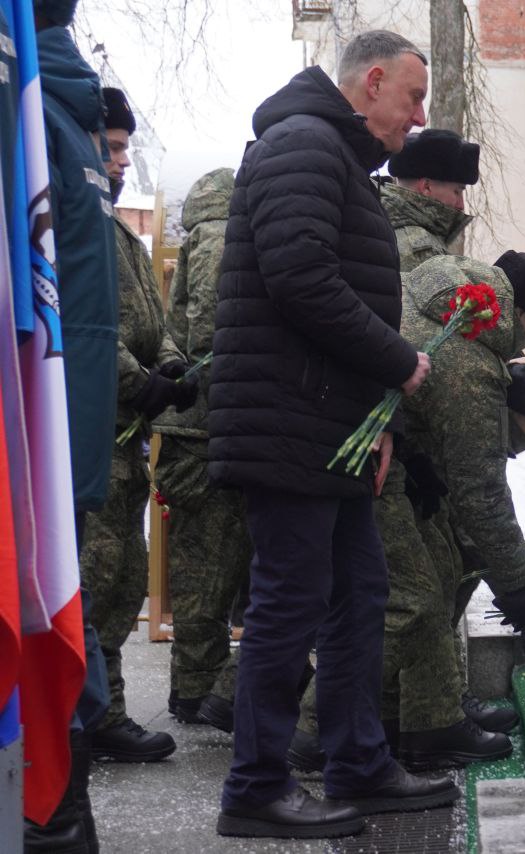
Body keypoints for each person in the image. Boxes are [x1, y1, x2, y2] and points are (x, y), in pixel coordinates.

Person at [207, 31, 454, 840]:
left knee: (358, 594)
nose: (418, 119)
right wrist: (400, 362)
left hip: (326, 423)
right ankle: (255, 787)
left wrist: (373, 414)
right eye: (412, 98)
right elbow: (301, 275)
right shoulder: (304, 143)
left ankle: (358, 763)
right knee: (290, 603)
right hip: (290, 423)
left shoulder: (332, 154)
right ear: (372, 81)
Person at [291, 127, 515, 771]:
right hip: (377, 432)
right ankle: (326, 728)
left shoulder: (389, 231)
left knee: (409, 588)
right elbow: (404, 333)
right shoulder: (410, 247)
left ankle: (418, 715)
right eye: (454, 188)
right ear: (424, 188)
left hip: (388, 429)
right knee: (401, 596)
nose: (460, 203)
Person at [386, 250, 525, 772]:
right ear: (516, 312)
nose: (524, 347)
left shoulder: (448, 310)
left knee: (437, 579)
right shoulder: (472, 364)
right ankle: (330, 728)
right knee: (415, 598)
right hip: (362, 467)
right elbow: (483, 499)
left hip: (390, 460)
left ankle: (422, 719)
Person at [24, 1, 117, 848]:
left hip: (36, 428)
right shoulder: (66, 115)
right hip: (65, 429)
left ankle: (53, 814)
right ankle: (60, 813)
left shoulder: (33, 111)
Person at [80, 87, 193, 764]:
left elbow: (155, 318)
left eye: (126, 147)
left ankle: (101, 713)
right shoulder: (75, 223)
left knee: (121, 580)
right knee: (92, 579)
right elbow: (87, 327)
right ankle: (80, 715)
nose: (121, 160)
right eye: (111, 145)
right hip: (95, 432)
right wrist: (139, 382)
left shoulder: (116, 228)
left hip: (129, 435)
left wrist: (173, 369)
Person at [152, 166, 249, 734]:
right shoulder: (219, 236)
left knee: (202, 566)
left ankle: (195, 687)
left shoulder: (202, 234)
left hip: (196, 424)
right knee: (210, 566)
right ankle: (200, 690)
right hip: (207, 424)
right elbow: (219, 328)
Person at [384, 128, 477, 268]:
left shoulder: (379, 222)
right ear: (426, 187)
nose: (461, 205)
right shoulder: (420, 248)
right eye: (457, 192)